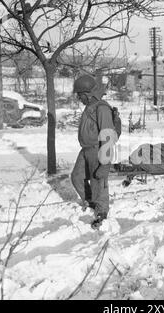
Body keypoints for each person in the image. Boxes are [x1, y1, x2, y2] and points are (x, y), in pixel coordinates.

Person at [71, 74, 117, 228]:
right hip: (86, 149)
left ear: (87, 93)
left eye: (80, 95)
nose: (79, 98)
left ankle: (102, 214)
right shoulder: (90, 107)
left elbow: (108, 136)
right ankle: (92, 203)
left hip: (98, 150)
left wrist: (104, 163)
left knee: (99, 182)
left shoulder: (101, 108)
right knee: (77, 177)